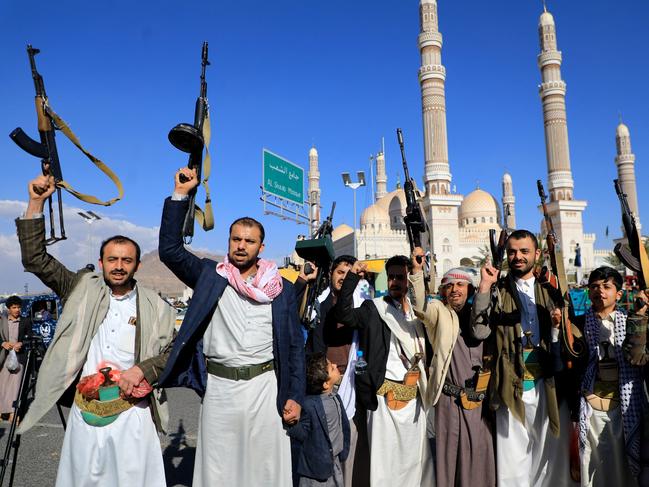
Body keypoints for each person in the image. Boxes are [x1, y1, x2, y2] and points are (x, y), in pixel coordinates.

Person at [15, 174, 177, 487]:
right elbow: (35, 259)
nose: (119, 265)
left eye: (126, 260)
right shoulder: (79, 288)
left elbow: (173, 353)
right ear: (100, 263)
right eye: (112, 259)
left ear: (137, 265)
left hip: (134, 413)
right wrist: (36, 202)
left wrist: (143, 370)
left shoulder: (157, 306)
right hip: (86, 411)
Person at [156, 167, 305, 486]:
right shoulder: (211, 276)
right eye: (236, 239)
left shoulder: (282, 289)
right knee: (219, 470)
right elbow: (170, 251)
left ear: (261, 247)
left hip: (265, 389)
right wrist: (180, 194)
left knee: (265, 469)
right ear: (228, 241)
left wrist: (294, 396)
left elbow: (294, 348)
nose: (241, 246)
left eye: (249, 241)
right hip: (220, 389)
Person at [471, 229, 575, 487]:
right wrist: (485, 286)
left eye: (524, 251)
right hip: (512, 383)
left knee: (549, 457)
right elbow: (480, 330)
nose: (518, 257)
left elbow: (573, 339)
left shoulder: (551, 290)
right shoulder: (499, 291)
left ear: (536, 254)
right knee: (512, 460)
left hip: (547, 384)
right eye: (512, 252)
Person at [332, 255, 435, 487]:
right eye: (391, 277)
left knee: (414, 463)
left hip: (414, 400)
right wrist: (351, 279)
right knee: (384, 465)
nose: (395, 282)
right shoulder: (374, 309)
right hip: (384, 400)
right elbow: (343, 314)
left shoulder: (419, 312)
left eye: (401, 277)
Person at [409, 248, 495, 487]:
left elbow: (481, 327)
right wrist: (416, 272)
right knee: (449, 460)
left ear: (469, 290)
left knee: (480, 454)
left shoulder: (480, 312)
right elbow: (420, 306)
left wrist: (486, 285)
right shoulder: (439, 312)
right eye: (449, 286)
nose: (455, 290)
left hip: (479, 401)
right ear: (443, 291)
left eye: (460, 285)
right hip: (449, 400)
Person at [574, 267, 647, 486]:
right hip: (592, 405)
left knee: (624, 468)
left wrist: (640, 316)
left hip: (626, 406)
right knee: (593, 465)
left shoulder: (632, 320)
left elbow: (636, 357)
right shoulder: (578, 324)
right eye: (595, 287)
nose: (600, 292)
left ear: (619, 294)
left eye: (606, 287)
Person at [289, 352, 350, 486]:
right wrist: (291, 422)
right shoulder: (309, 405)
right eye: (332, 368)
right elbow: (301, 433)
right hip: (316, 472)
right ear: (326, 384)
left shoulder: (335, 396)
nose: (335, 364)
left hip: (334, 464)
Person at [0, 296, 29, 423]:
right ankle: (2, 412)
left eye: (19, 307)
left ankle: (13, 413)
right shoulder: (2, 321)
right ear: (8, 308)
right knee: (3, 385)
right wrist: (3, 343)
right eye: (14, 307)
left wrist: (21, 343)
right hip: (4, 357)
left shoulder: (26, 321)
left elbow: (30, 336)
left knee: (16, 386)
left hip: (19, 358)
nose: (17, 310)